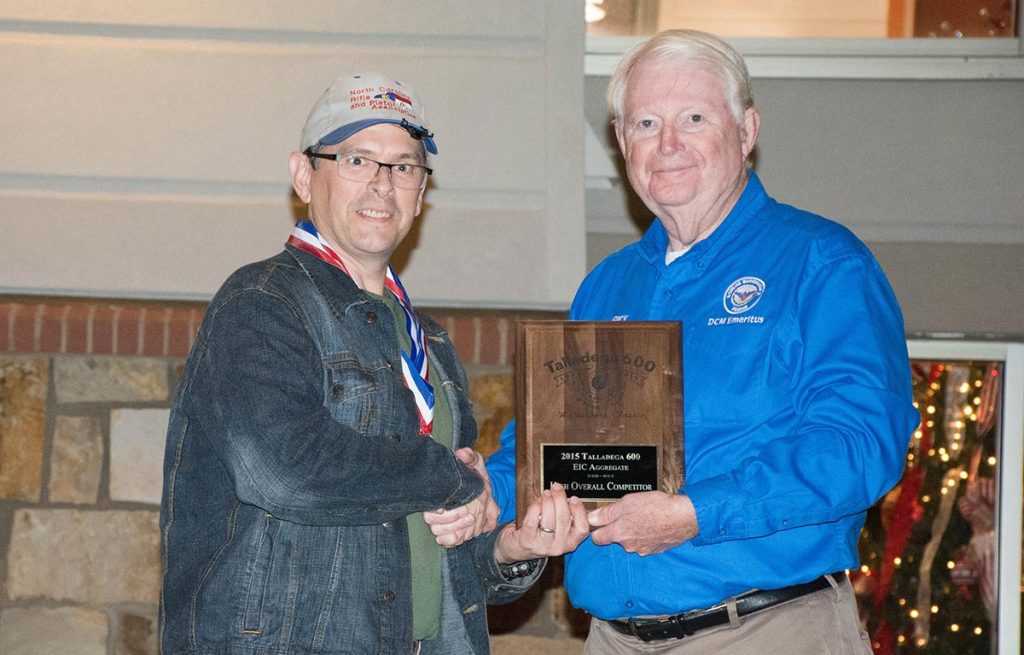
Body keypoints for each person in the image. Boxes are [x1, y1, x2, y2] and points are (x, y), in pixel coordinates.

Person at [487, 30, 919, 654]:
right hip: (612, 640)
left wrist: (695, 512)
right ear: (621, 142)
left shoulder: (821, 263)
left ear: (746, 130)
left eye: (693, 117)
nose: (668, 144)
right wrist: (481, 492)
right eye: (645, 123)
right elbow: (547, 449)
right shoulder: (605, 287)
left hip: (764, 632)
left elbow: (858, 446)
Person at [159, 72, 589, 655]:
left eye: (404, 167)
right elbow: (285, 470)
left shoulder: (428, 341)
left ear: (420, 192)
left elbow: (433, 542)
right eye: (357, 160)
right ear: (303, 175)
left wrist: (511, 548)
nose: (383, 186)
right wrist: (454, 478)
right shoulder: (261, 304)